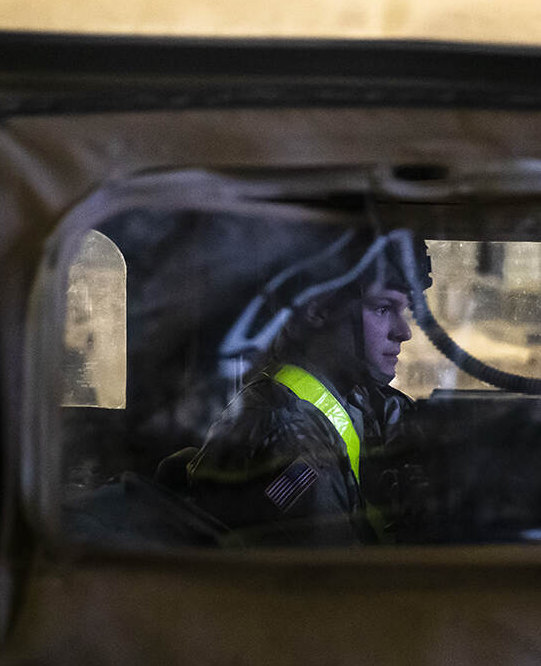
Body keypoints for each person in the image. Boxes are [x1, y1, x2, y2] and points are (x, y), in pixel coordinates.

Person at [163, 230, 428, 546]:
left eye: (404, 310)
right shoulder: (290, 436)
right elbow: (335, 573)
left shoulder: (352, 397)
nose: (404, 332)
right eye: (383, 308)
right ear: (317, 309)